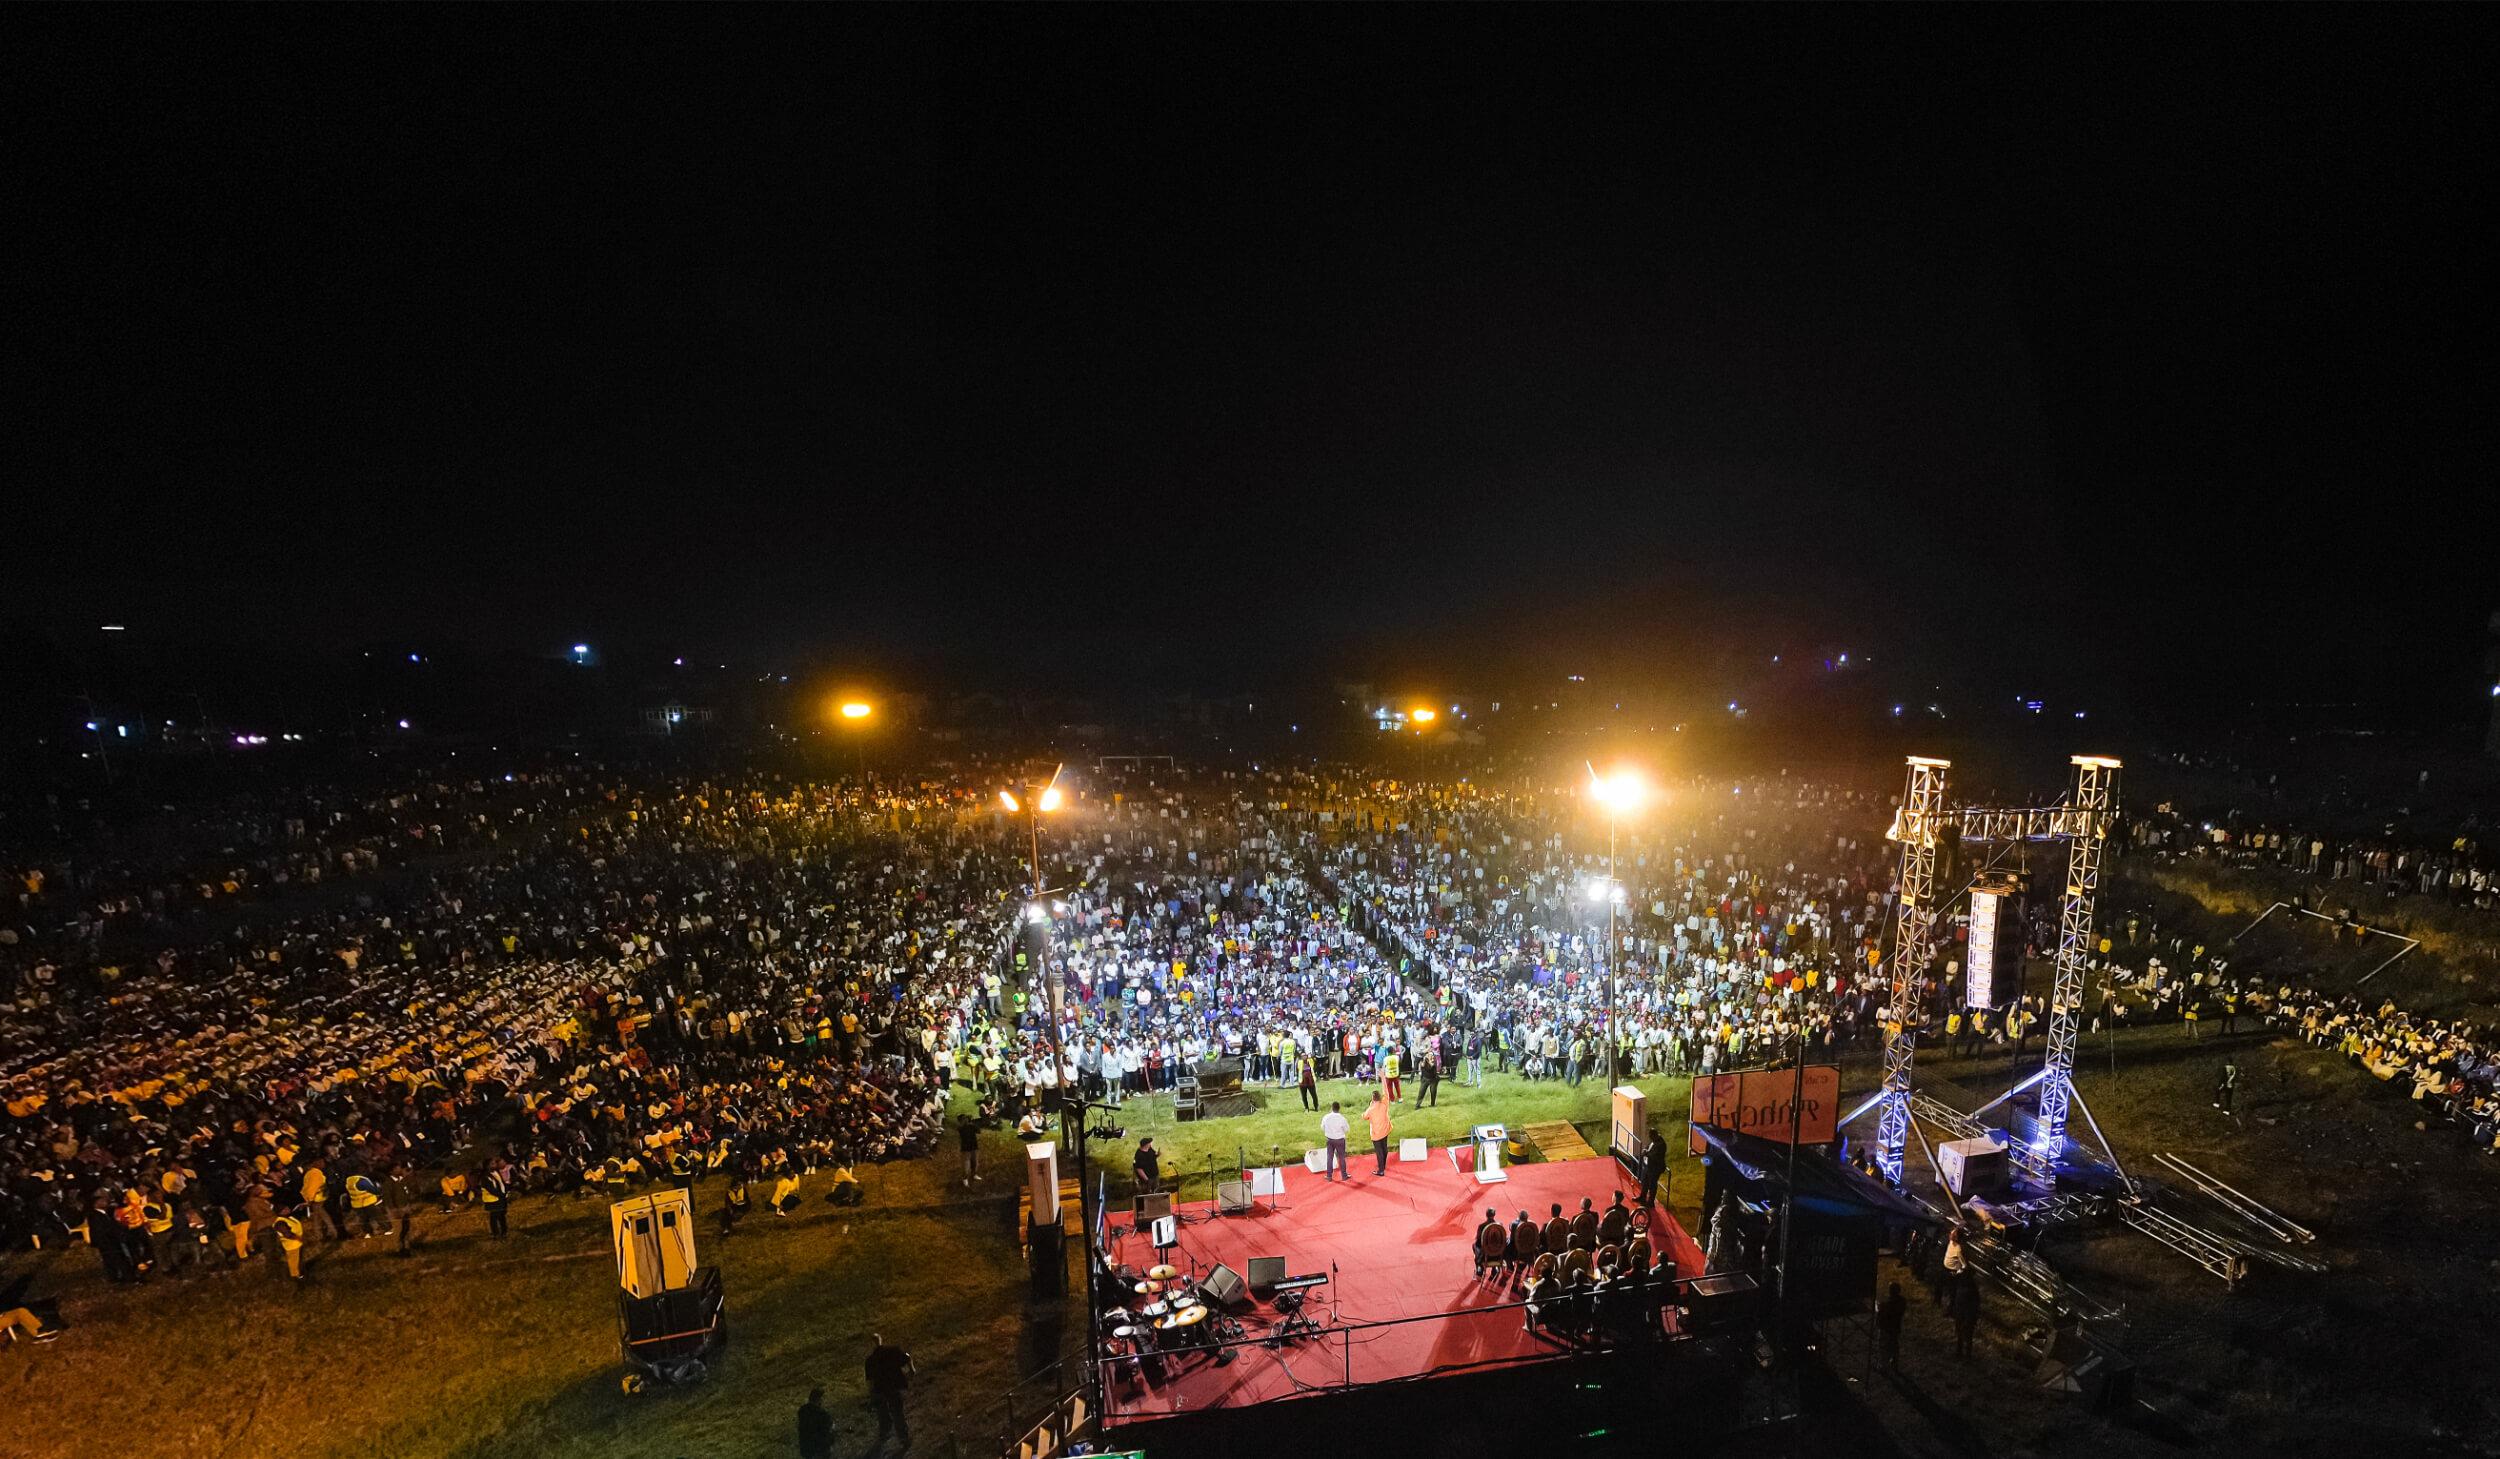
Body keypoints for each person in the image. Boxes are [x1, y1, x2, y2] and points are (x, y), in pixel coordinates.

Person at [865, 1332, 915, 1450]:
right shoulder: (892, 1351)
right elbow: (907, 1357)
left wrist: (871, 1395)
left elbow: (870, 1381)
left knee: (883, 1414)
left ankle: (885, 1434)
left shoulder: (870, 1361)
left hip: (879, 1391)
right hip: (893, 1388)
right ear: (880, 1341)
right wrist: (912, 1370)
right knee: (897, 1413)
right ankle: (903, 1438)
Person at [1948, 1268, 1981, 1356]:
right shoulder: (1965, 1286)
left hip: (1966, 1313)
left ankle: (1965, 1353)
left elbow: (1974, 1304)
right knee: (1963, 1332)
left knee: (1966, 1333)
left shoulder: (1968, 1287)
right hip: (1963, 1311)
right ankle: (1962, 1351)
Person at [797, 1386, 835, 1459]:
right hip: (820, 1450)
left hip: (807, 1449)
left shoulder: (803, 1411)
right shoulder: (823, 1415)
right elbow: (827, 1433)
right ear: (819, 1400)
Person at [1876, 1281, 1906, 1371]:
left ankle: (1883, 1366)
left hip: (1886, 1328)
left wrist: (1880, 1308)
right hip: (1895, 1328)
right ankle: (1894, 1363)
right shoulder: (1902, 1301)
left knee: (1884, 1347)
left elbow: (1883, 1313)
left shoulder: (1888, 1304)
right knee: (1894, 1346)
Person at [1365, 1091, 1395, 1176]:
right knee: (1384, 1148)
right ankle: (1383, 1165)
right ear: (1380, 1097)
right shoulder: (1384, 1104)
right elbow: (1386, 1093)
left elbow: (1364, 1116)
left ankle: (1381, 1170)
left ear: (1372, 1099)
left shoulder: (1370, 1109)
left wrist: (1370, 1106)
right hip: (1385, 1131)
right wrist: (1383, 1082)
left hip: (1376, 1134)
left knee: (1379, 1152)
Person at [1320, 1101, 1350, 1181]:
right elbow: (1346, 1129)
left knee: (1329, 1157)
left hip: (1329, 1140)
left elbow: (1322, 1127)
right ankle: (1344, 1176)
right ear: (1339, 1108)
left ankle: (1329, 1176)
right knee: (1341, 1158)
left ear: (1331, 1108)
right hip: (1340, 1140)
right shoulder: (1342, 1118)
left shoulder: (1326, 1117)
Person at [958, 1113, 981, 1188]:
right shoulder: (960, 1128)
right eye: (963, 1119)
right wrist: (966, 1124)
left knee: (975, 1163)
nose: (966, 1119)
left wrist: (972, 1123)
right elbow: (961, 1131)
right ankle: (965, 1179)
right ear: (960, 1121)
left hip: (974, 1147)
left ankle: (974, 1175)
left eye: (966, 1118)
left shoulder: (971, 1126)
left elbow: (978, 1131)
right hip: (966, 1149)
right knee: (966, 1166)